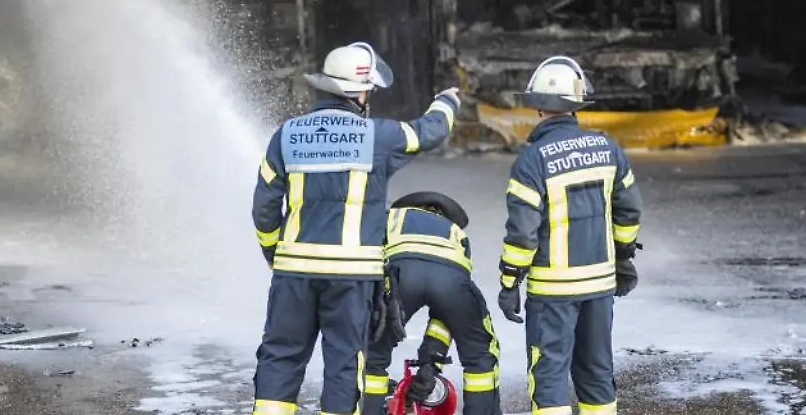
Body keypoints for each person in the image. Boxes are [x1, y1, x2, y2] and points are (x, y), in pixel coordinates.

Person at [250, 41, 462, 415]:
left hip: (293, 272)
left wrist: (274, 253)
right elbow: (429, 132)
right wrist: (447, 101)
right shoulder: (377, 137)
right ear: (361, 91)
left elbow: (264, 208)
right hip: (351, 278)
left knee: (279, 360)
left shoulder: (286, 135)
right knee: (344, 365)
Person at [494, 56, 644, 415]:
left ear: (539, 106)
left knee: (549, 379)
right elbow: (629, 211)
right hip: (599, 287)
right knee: (596, 376)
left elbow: (522, 234)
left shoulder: (532, 160)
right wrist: (623, 257)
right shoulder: (608, 149)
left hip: (552, 293)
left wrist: (509, 282)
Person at [362, 191, 502, 415]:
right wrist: (431, 363)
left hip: (400, 273)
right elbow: (446, 313)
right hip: (451, 280)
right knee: (480, 358)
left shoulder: (391, 218)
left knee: (372, 355)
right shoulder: (456, 234)